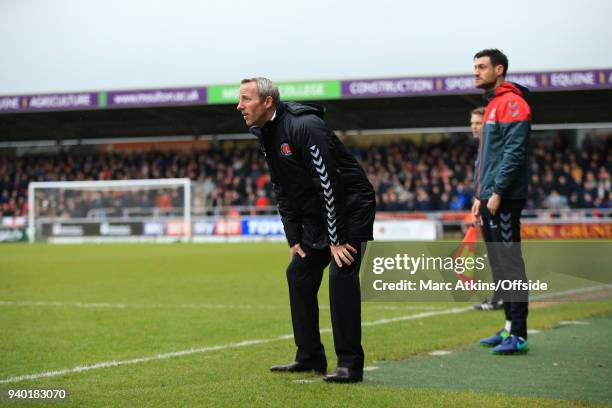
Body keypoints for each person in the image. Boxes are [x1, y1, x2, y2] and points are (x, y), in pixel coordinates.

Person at [237, 78, 376, 382]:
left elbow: (329, 184)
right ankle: (311, 356)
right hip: (317, 214)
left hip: (349, 208)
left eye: (246, 99)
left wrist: (336, 240)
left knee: (341, 278)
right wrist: (294, 237)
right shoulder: (266, 133)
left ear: (268, 102)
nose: (240, 106)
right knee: (298, 274)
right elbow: (281, 187)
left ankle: (350, 365)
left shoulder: (305, 126)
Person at [470, 49, 531, 354]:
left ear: (499, 69)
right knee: (500, 265)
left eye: (482, 67)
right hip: (490, 198)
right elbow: (487, 159)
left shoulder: (513, 104)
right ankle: (508, 327)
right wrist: (480, 196)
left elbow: (514, 153)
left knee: (511, 265)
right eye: (475, 67)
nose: (476, 72)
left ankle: (519, 334)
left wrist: (496, 192)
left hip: (504, 199)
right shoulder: (493, 104)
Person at [470, 106, 504, 311]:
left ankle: (504, 297)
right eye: (472, 123)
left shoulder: (494, 147)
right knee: (494, 253)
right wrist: (477, 197)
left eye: (477, 123)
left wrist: (492, 195)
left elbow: (498, 172)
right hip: (483, 201)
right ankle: (499, 296)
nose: (474, 127)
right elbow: (483, 175)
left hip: (493, 203)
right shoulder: (482, 147)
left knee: (500, 253)